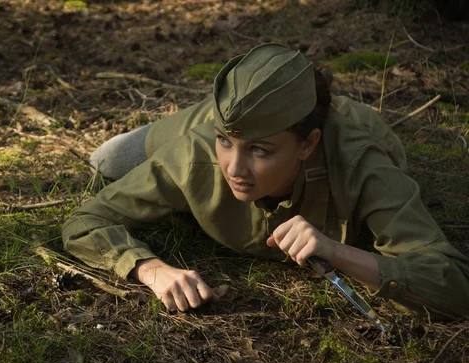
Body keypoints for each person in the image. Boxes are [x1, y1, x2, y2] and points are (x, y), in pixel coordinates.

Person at [62, 43, 469, 318]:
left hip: (341, 125)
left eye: (260, 152)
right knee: (106, 159)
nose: (234, 169)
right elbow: (85, 221)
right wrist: (151, 269)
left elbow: (452, 285)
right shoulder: (198, 152)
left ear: (308, 146)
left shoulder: (362, 163)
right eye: (226, 145)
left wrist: (336, 252)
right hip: (208, 118)